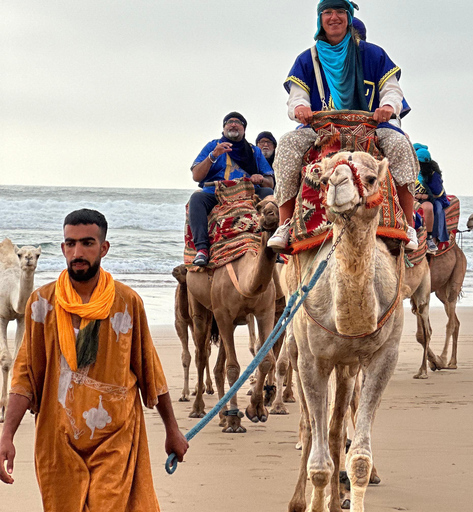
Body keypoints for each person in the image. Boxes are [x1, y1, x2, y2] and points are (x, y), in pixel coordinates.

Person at [0, 209, 188, 511]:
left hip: (115, 438)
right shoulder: (41, 305)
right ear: (62, 249)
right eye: (70, 244)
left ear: (104, 247)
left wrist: (173, 430)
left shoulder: (127, 303)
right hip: (57, 441)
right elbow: (24, 378)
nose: (78, 252)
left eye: (87, 243)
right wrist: (6, 436)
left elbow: (150, 371)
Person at [267, 0, 419, 251]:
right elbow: (296, 98)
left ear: (348, 17)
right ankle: (285, 225)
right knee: (286, 145)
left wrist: (389, 107)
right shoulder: (307, 59)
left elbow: (392, 90)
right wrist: (300, 109)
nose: (333, 17)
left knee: (400, 144)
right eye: (327, 12)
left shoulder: (373, 54)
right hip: (321, 128)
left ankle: (408, 224)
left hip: (369, 126)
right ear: (320, 19)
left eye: (339, 12)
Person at [189, 112, 275, 266]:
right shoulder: (212, 146)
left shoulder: (254, 151)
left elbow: (270, 182)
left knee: (268, 194)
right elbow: (196, 175)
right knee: (196, 199)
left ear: (244, 129)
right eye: (229, 122)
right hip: (217, 193)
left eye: (238, 122)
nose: (234, 124)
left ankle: (271, 243)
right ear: (223, 128)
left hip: (247, 193)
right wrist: (213, 156)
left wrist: (261, 179)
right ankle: (202, 249)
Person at [413, 143, 450, 254]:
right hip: (414, 195)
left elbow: (437, 193)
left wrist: (423, 196)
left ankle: (432, 238)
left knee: (436, 209)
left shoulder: (433, 174)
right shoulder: (411, 169)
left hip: (433, 197)